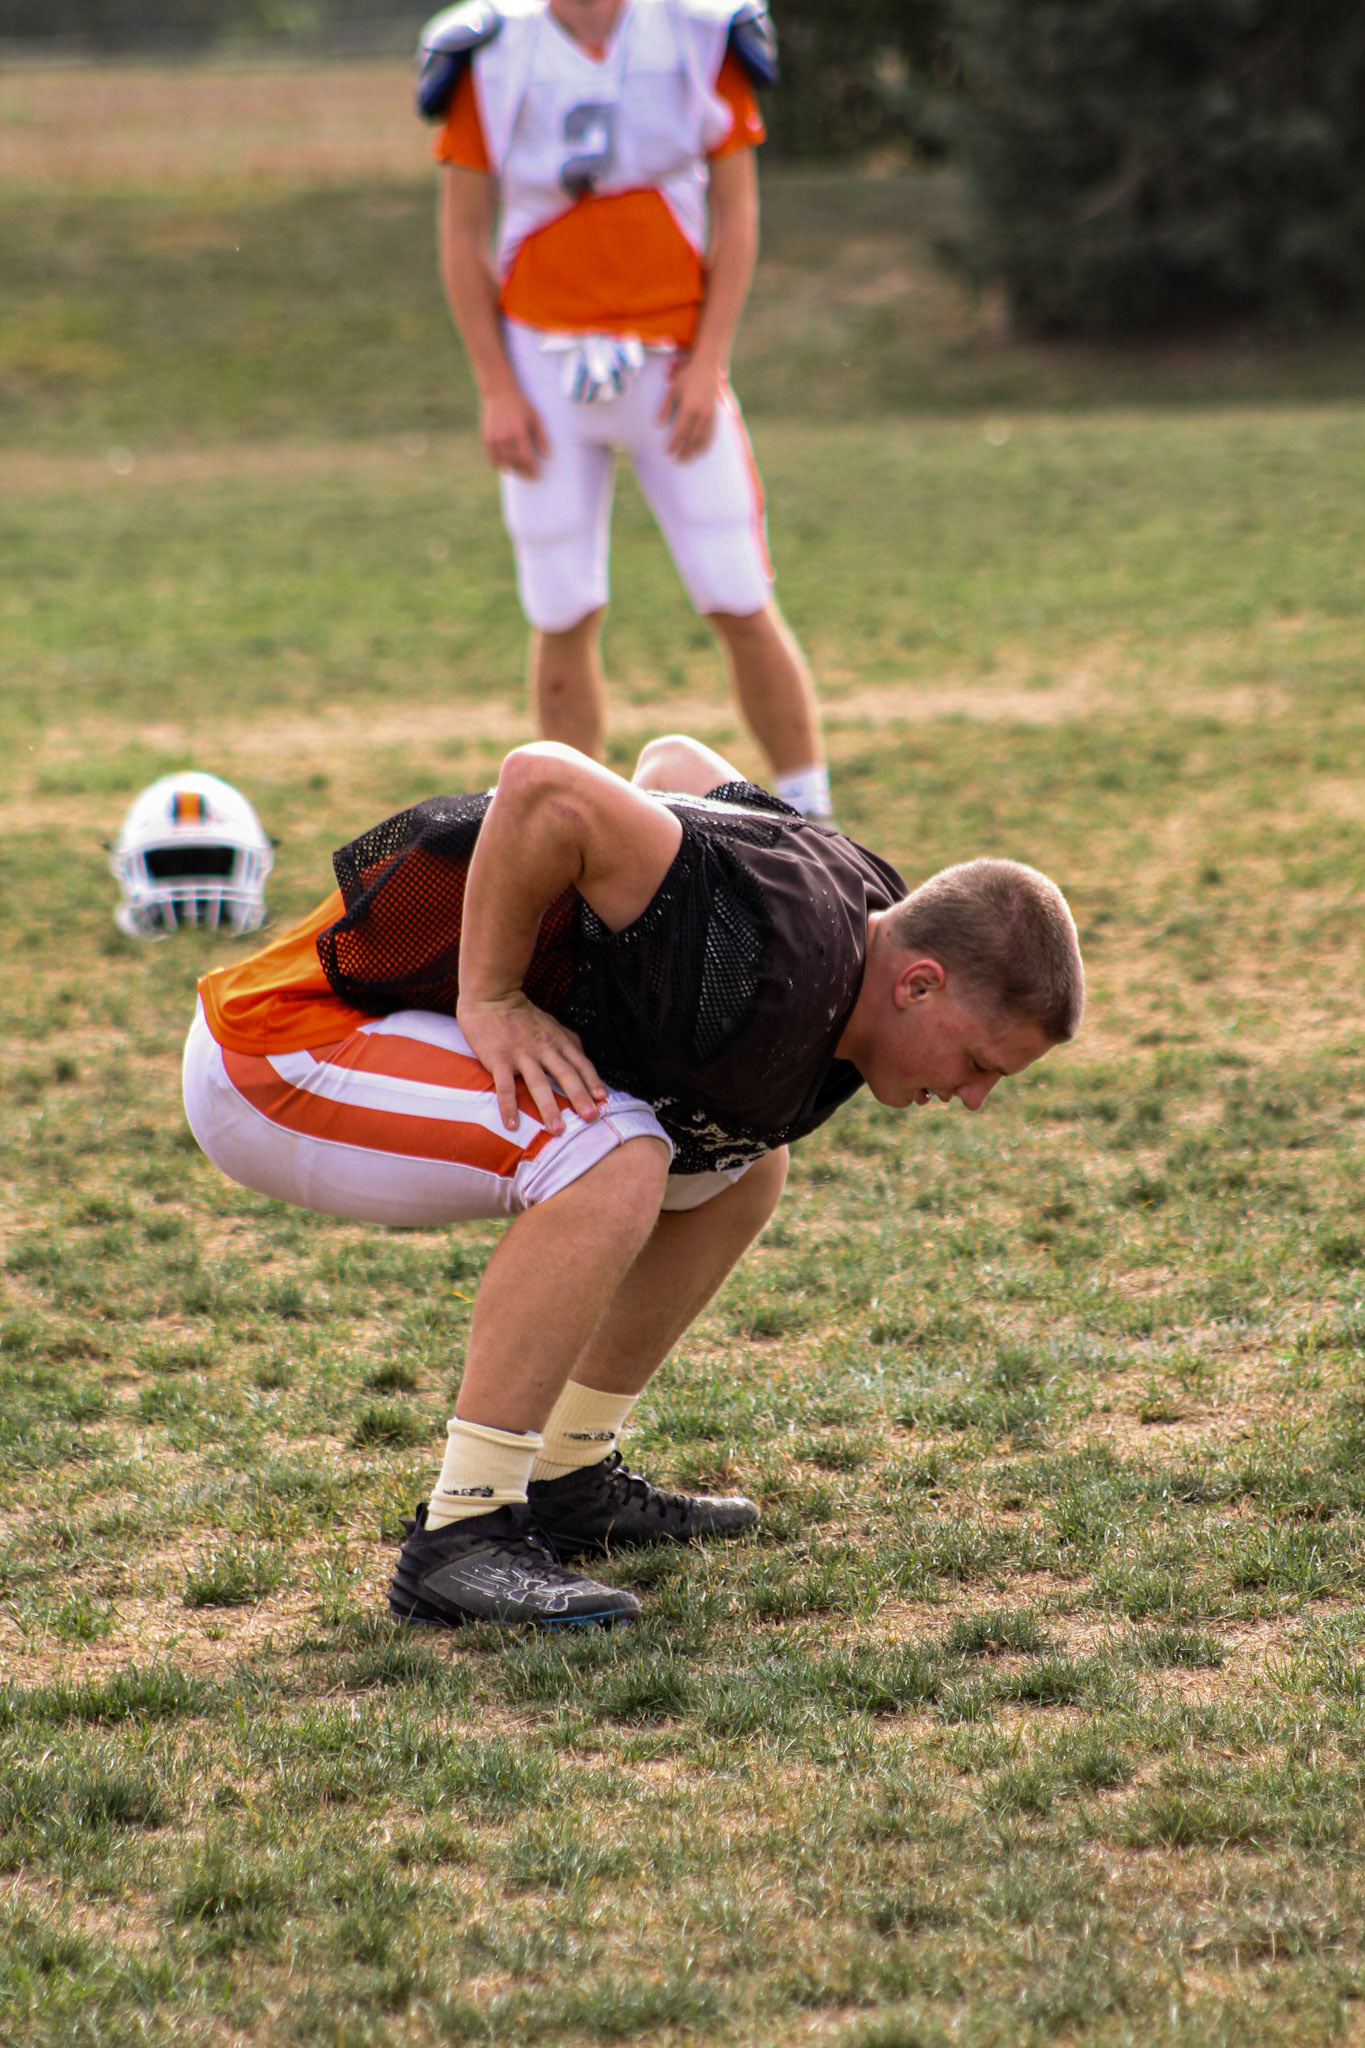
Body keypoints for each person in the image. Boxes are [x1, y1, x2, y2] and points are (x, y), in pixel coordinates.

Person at [184, 735, 1083, 1629]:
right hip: (280, 1047)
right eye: (978, 1063)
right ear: (917, 985)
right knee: (616, 1153)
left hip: (359, 1034)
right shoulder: (776, 944)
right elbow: (543, 784)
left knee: (739, 1165)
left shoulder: (862, 918)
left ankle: (567, 1473)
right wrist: (493, 995)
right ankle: (463, 1529)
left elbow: (674, 766)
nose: (973, 1098)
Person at [417, 0, 834, 821]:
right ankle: (577, 829)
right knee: (561, 606)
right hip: (543, 361)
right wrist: (496, 385)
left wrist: (709, 360)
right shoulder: (492, 49)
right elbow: (462, 234)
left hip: (670, 358)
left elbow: (737, 211)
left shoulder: (698, 29)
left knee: (737, 592)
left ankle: (815, 814)